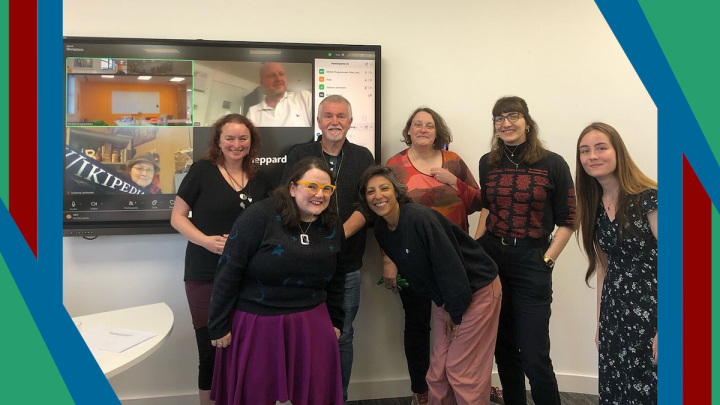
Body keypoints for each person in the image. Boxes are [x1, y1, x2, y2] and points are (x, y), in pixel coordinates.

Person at [208, 156, 347, 405]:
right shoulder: (260, 215)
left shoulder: (333, 224)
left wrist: (336, 321)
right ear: (293, 188)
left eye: (327, 189)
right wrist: (218, 324)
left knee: (313, 396)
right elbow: (229, 270)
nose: (320, 194)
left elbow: (337, 277)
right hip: (257, 321)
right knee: (255, 395)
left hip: (312, 322)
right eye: (311, 186)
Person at [360, 165, 501, 405]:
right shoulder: (383, 230)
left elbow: (450, 268)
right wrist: (445, 303)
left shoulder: (418, 218)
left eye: (384, 188)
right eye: (370, 191)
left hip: (476, 289)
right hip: (447, 296)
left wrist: (454, 311)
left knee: (461, 370)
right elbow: (421, 273)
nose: (378, 195)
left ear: (396, 191)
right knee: (437, 371)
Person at [474, 96, 575, 405]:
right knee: (503, 349)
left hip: (533, 260)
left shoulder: (552, 162)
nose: (506, 122)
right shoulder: (487, 162)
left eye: (513, 115)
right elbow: (487, 210)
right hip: (494, 260)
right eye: (499, 118)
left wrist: (548, 259)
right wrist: (478, 253)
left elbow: (568, 220)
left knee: (534, 355)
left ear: (527, 122)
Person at [170, 114, 272, 405]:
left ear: (251, 142)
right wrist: (207, 241)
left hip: (250, 277)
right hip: (204, 274)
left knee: (246, 350)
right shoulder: (202, 170)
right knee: (211, 352)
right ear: (218, 140)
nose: (236, 144)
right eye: (229, 138)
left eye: (243, 138)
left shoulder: (260, 178)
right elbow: (176, 217)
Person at [383, 107, 482, 405]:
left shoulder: (454, 162)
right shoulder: (394, 165)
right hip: (412, 261)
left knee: (458, 323)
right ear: (409, 131)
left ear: (437, 132)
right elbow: (385, 213)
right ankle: (421, 391)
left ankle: (456, 387)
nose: (423, 129)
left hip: (456, 258)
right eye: (417, 124)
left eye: (429, 125)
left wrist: (453, 182)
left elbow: (478, 201)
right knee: (417, 325)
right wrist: (389, 259)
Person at [281, 94, 375, 403]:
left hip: (346, 263)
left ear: (350, 121)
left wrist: (338, 236)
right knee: (304, 336)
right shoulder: (300, 153)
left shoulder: (363, 157)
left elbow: (368, 204)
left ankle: (339, 397)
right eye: (328, 116)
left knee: (342, 335)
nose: (334, 121)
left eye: (341, 116)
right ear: (319, 121)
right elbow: (286, 199)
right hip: (303, 262)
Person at [575, 122, 657, 404]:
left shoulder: (649, 197)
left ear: (618, 152)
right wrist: (600, 322)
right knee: (618, 390)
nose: (592, 156)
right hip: (615, 314)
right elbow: (603, 267)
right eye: (585, 151)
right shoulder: (594, 205)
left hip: (653, 313)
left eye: (600, 148)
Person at [246, 62, 312, 127]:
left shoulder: (304, 97)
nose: (278, 78)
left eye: (281, 74)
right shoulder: (252, 113)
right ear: (262, 83)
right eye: (272, 75)